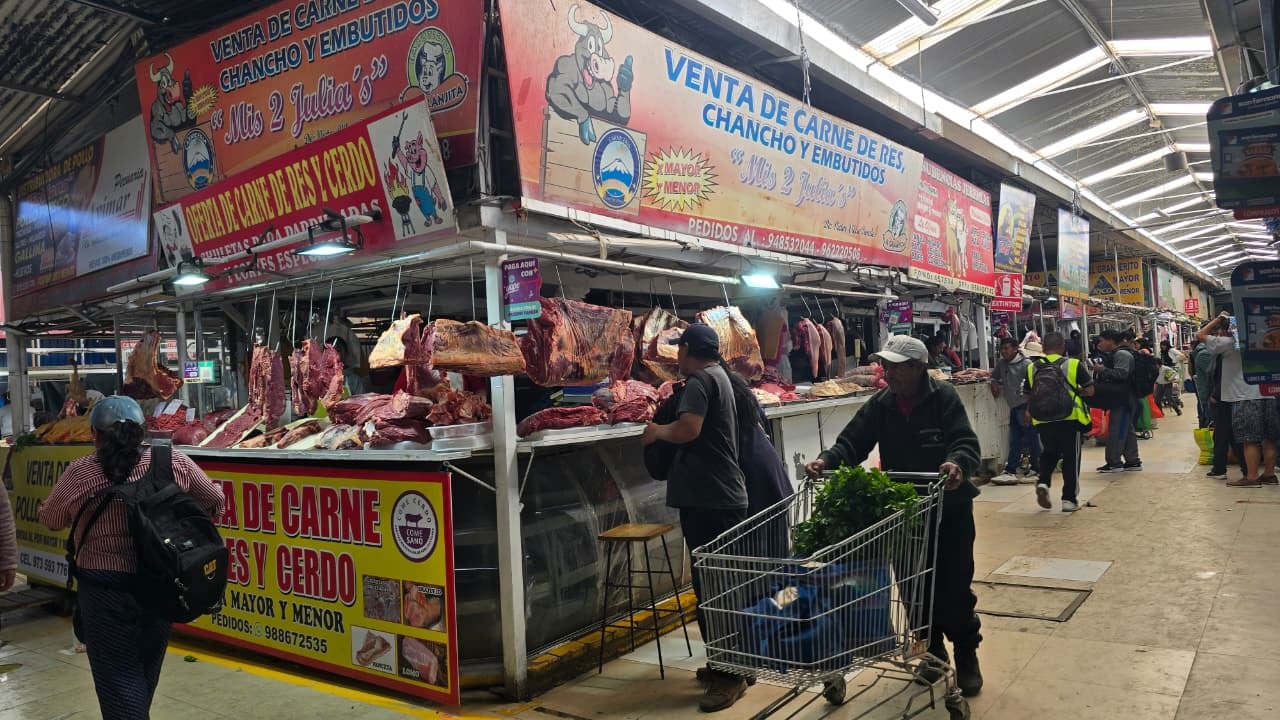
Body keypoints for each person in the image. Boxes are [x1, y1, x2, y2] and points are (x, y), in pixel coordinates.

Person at [803, 335, 984, 697]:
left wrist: (956, 464)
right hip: (903, 511)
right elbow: (852, 442)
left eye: (895, 367)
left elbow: (965, 441)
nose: (887, 373)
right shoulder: (881, 404)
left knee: (952, 587)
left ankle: (966, 653)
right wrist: (827, 461)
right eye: (885, 365)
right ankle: (931, 651)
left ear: (917, 368)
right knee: (913, 586)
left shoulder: (942, 398)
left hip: (949, 508)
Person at [38, 396, 224, 720]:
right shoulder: (171, 462)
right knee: (143, 675)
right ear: (142, 430)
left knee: (119, 683)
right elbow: (214, 501)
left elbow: (51, 518)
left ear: (94, 434)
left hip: (103, 591)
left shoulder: (81, 473)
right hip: (161, 584)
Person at [641, 324, 750, 712]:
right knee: (724, 585)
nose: (677, 357)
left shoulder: (701, 381)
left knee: (715, 589)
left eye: (679, 349)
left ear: (688, 349)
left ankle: (729, 678)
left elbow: (689, 429)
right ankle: (732, 662)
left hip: (711, 501)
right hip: (721, 498)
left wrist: (656, 432)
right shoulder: (721, 375)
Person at [1196, 312, 1277, 487]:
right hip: (1269, 393)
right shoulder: (1268, 340)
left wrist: (1218, 319)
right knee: (1269, 437)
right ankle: (1269, 474)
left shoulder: (1230, 343)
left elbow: (1200, 335)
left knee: (1249, 439)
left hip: (1245, 396)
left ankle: (1252, 476)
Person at [1023, 333, 1095, 512]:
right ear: (1063, 346)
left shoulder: (1033, 367)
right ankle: (1069, 499)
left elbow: (1027, 394)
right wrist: (1077, 391)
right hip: (1069, 417)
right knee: (1071, 457)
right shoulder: (1073, 364)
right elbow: (1090, 390)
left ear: (1044, 348)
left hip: (1042, 418)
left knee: (1049, 452)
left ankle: (1043, 483)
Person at [989, 337, 1040, 485]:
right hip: (1013, 407)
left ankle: (1036, 469)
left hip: (1026, 406)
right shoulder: (1002, 364)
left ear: (1015, 349)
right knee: (1015, 440)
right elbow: (994, 376)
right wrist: (994, 383)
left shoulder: (1027, 365)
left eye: (1007, 348)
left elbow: (1035, 388)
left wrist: (1030, 410)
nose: (1003, 352)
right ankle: (1011, 470)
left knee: (1032, 439)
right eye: (1002, 349)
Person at [1093, 330, 1142, 472]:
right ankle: (1132, 461)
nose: (1099, 344)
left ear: (1110, 341)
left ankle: (1114, 462)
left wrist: (1101, 370)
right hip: (1124, 398)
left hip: (1124, 399)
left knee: (1117, 430)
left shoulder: (1121, 354)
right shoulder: (1120, 354)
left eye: (1102, 340)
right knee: (1126, 430)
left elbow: (1122, 374)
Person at [1190, 339, 1213, 428]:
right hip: (1209, 393)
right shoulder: (1204, 354)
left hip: (1206, 392)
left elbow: (1190, 370)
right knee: (1210, 420)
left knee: (1206, 415)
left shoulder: (1198, 353)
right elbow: (1212, 375)